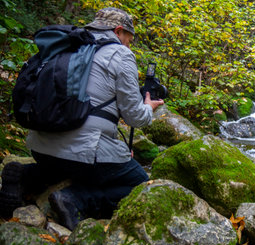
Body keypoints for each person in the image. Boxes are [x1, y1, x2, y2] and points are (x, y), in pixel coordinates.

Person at [0, 7, 164, 230]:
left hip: (40, 147)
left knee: (67, 163)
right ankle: (77, 200)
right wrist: (148, 107)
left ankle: (26, 174)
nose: (128, 45)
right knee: (141, 184)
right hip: (83, 155)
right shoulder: (120, 54)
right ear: (118, 31)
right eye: (128, 39)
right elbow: (135, 117)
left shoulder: (69, 44)